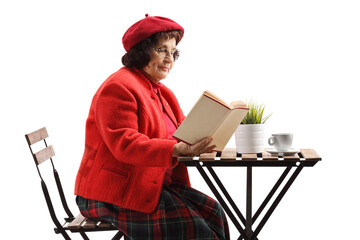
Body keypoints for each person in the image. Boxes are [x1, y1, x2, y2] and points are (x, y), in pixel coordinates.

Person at [74, 14, 230, 240]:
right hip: (111, 192)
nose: (169, 59)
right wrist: (175, 149)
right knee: (195, 229)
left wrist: (214, 133)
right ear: (141, 51)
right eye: (161, 50)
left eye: (173, 52)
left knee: (214, 212)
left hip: (150, 185)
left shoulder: (161, 91)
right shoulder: (119, 87)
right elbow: (125, 143)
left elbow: (182, 130)